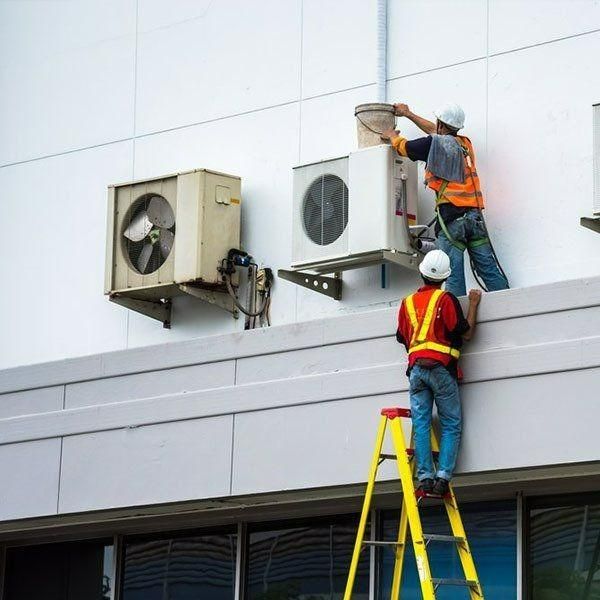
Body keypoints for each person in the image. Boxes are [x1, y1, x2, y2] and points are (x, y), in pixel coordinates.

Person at [382, 102, 509, 298]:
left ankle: (455, 316)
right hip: (475, 219)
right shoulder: (464, 144)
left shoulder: (433, 144)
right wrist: (408, 114)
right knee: (488, 269)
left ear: (441, 124)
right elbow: (437, 131)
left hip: (452, 219)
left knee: (453, 275)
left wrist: (392, 137)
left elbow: (405, 148)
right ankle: (508, 303)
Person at [396, 249, 481, 496]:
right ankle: (443, 477)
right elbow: (465, 334)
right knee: (451, 423)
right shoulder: (445, 300)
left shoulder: (407, 303)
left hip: (416, 372)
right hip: (441, 370)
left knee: (421, 424)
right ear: (445, 277)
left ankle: (425, 478)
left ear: (422, 272)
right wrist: (473, 304)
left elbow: (403, 337)